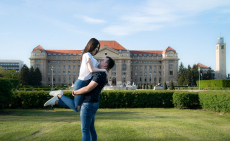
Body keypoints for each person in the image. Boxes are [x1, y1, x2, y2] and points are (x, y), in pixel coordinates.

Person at [44, 56, 115, 141]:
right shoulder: (102, 74)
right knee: (91, 128)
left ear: (106, 65)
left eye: (103, 60)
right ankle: (56, 101)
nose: (101, 60)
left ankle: (59, 96)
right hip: (93, 103)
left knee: (85, 130)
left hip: (89, 104)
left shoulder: (99, 74)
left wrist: (75, 92)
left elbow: (88, 88)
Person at [45, 38, 107, 112]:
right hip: (81, 83)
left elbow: (97, 69)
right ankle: (59, 95)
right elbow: (91, 70)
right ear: (91, 46)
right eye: (96, 47)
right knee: (76, 108)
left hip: (85, 84)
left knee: (79, 107)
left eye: (98, 48)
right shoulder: (87, 55)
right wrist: (104, 70)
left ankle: (56, 101)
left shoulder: (93, 58)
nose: (97, 49)